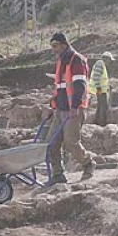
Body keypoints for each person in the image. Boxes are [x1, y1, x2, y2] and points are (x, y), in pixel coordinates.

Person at [46, 32, 97, 185]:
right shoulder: (61, 62)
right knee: (50, 143)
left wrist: (75, 106)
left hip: (73, 109)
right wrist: (52, 106)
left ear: (63, 44)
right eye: (52, 47)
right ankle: (58, 174)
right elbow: (59, 88)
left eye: (55, 46)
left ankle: (88, 163)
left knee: (71, 142)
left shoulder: (77, 60)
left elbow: (80, 85)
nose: (53, 50)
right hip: (60, 109)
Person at [89, 51, 114, 126]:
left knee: (100, 105)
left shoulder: (101, 65)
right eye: (110, 60)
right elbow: (96, 77)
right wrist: (99, 88)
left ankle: (97, 121)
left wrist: (107, 86)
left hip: (101, 89)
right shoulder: (100, 64)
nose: (110, 62)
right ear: (106, 59)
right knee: (104, 106)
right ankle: (102, 123)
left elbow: (102, 79)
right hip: (100, 90)